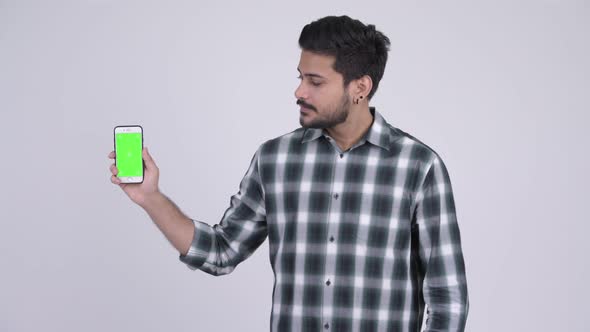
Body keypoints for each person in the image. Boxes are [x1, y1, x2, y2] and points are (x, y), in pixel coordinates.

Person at [108, 15, 469, 332]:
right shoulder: (275, 160)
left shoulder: (419, 167)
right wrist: (150, 197)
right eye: (300, 78)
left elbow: (447, 298)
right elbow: (220, 252)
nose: (299, 91)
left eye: (315, 81)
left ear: (360, 87)